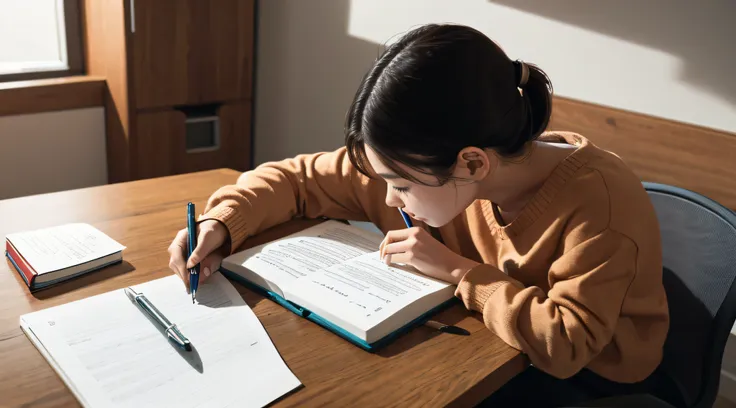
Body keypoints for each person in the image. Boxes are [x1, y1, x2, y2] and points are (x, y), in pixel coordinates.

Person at [167, 24, 670, 407]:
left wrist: (456, 270)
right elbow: (296, 179)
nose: (388, 200)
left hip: (587, 382)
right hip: (484, 344)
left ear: (472, 162)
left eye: (400, 186)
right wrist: (221, 224)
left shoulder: (599, 200)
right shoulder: (434, 160)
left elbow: (567, 343)